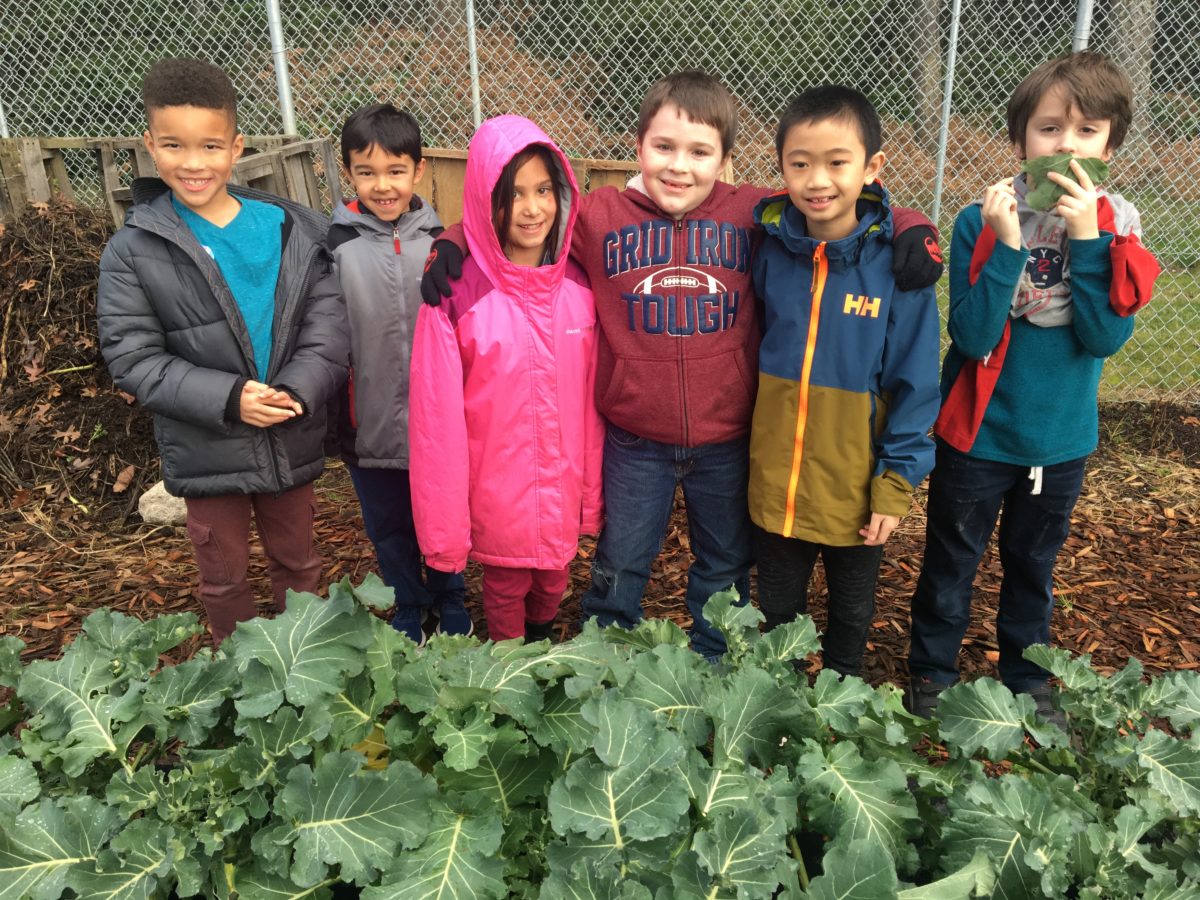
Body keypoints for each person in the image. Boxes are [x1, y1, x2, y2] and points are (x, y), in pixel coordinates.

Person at [422, 71, 944, 659]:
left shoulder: (753, 213)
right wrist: (455, 239)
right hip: (635, 436)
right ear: (638, 144)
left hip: (727, 436)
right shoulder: (597, 218)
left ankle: (714, 667)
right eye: (663, 147)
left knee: (724, 565)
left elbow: (833, 215)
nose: (679, 166)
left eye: (700, 152)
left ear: (725, 159)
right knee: (621, 560)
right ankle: (606, 657)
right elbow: (520, 220)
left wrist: (910, 225)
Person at [906, 52, 1159, 719]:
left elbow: (1104, 338)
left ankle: (1027, 676)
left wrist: (1088, 240)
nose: (1065, 146)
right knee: (951, 563)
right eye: (1049, 129)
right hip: (979, 434)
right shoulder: (978, 220)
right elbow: (974, 337)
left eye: (1086, 132)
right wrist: (1009, 244)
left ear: (1111, 143)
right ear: (1022, 137)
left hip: (1060, 439)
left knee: (1031, 568)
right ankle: (930, 673)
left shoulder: (1119, 226)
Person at [96, 57, 348, 644]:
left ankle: (304, 663)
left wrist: (297, 389)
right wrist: (232, 398)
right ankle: (242, 681)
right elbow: (133, 357)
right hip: (207, 447)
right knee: (224, 578)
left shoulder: (293, 231)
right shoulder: (134, 250)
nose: (193, 163)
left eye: (210, 145)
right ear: (149, 146)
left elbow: (329, 328)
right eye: (174, 146)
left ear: (235, 146)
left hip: (288, 431)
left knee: (299, 564)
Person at [749, 86, 941, 678]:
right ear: (780, 168)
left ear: (872, 168)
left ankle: (840, 702)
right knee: (776, 608)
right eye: (799, 163)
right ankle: (773, 704)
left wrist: (895, 483)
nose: (817, 179)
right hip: (776, 481)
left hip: (855, 487)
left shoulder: (899, 268)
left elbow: (915, 382)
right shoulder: (768, 247)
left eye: (837, 162)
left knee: (851, 613)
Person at [408, 115, 604, 642]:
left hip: (563, 483)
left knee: (554, 577)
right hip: (497, 488)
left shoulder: (580, 286)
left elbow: (591, 403)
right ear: (485, 200)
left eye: (544, 189)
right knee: (507, 582)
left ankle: (538, 645)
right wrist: (446, 528)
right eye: (513, 193)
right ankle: (507, 663)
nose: (532, 207)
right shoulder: (454, 294)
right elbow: (436, 421)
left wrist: (593, 492)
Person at [326, 103, 470, 644]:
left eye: (395, 170)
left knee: (445, 514)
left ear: (419, 169)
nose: (382, 185)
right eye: (367, 172)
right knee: (388, 525)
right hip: (370, 422)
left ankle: (451, 595)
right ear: (348, 174)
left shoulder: (446, 242)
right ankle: (409, 602)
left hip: (440, 423)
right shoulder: (334, 247)